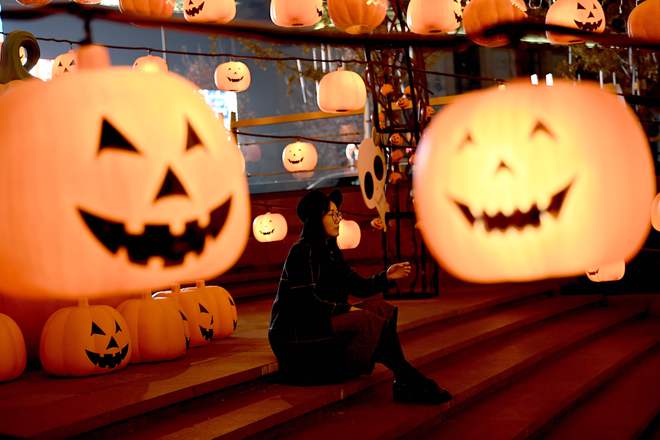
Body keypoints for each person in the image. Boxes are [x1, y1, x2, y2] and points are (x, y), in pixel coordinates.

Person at [268, 189, 452, 404]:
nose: (338, 219)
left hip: (321, 322)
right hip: (297, 333)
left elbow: (359, 286)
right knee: (363, 318)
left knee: (381, 309)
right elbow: (305, 303)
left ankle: (403, 377)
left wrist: (387, 276)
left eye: (339, 214)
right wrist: (345, 309)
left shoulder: (330, 252)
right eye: (332, 214)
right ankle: (406, 376)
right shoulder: (302, 251)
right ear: (316, 218)